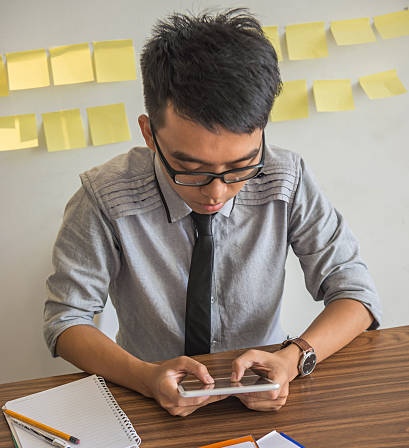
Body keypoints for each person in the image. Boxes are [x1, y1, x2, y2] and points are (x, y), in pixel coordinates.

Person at [44, 9, 381, 417]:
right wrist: (146, 378)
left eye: (241, 167)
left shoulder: (285, 177)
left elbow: (355, 294)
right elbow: (66, 320)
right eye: (190, 170)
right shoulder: (104, 195)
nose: (217, 192)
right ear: (150, 133)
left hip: (264, 389)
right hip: (144, 392)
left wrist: (292, 360)